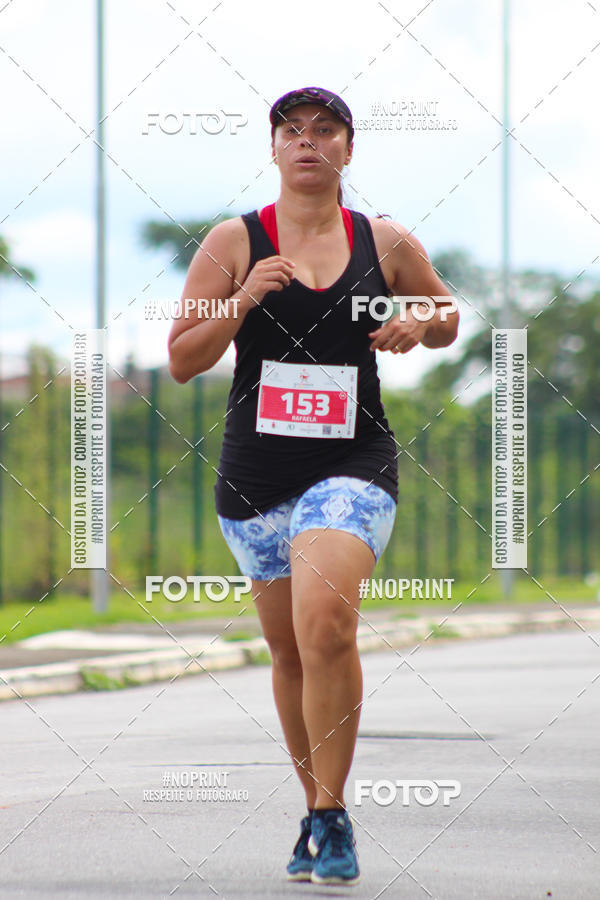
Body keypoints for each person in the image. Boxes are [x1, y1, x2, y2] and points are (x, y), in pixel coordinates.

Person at [168, 86, 458, 886]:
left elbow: (447, 315)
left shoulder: (383, 237)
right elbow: (183, 357)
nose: (308, 143)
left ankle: (333, 818)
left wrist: (418, 323)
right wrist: (242, 298)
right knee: (290, 648)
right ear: (273, 150)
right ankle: (314, 811)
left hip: (353, 460)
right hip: (256, 475)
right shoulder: (234, 240)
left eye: (325, 131)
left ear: (347, 151)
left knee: (326, 621)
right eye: (292, 132)